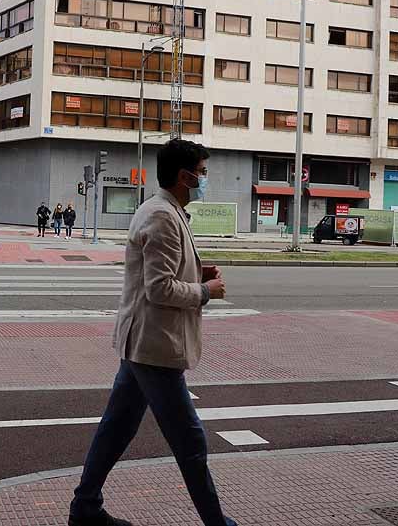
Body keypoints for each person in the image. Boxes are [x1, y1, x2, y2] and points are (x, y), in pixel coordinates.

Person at [68, 139, 236, 526]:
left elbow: (160, 273)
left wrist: (197, 272)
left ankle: (85, 507)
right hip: (154, 345)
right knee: (190, 442)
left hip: (142, 342)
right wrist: (204, 292)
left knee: (116, 428)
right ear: (185, 176)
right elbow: (159, 289)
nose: (205, 180)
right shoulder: (162, 215)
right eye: (203, 173)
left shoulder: (163, 208)